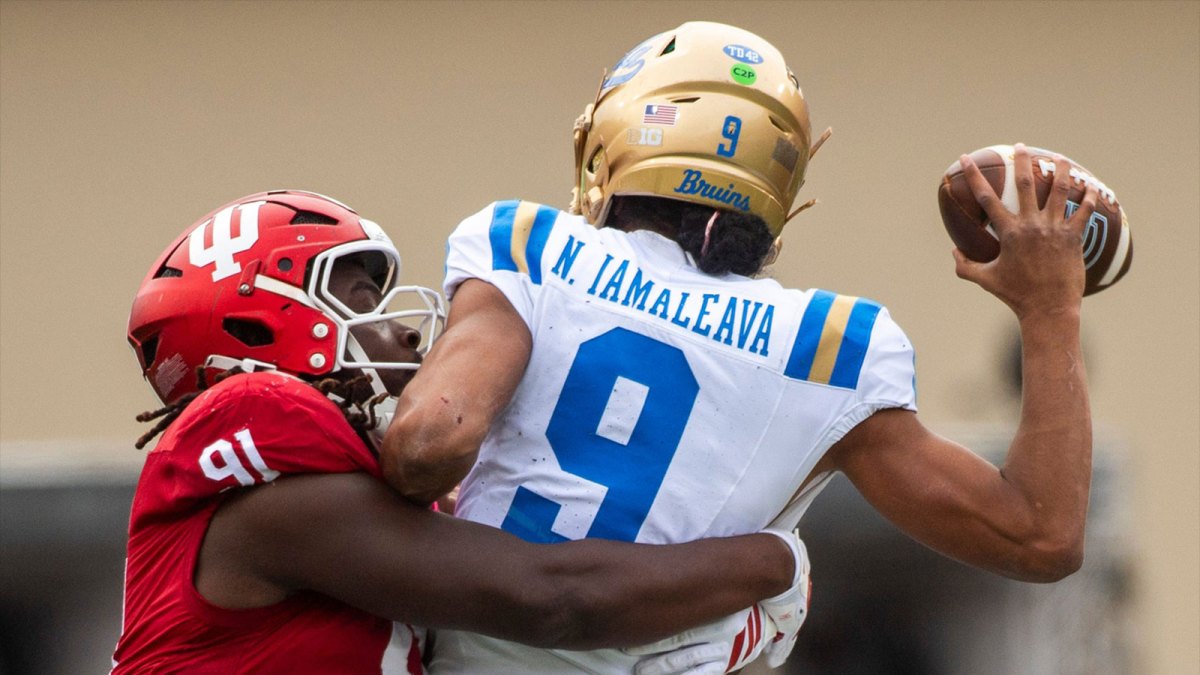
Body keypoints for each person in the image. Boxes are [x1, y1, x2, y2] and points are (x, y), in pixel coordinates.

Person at [380, 21, 1099, 673]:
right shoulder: (831, 347)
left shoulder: (528, 244)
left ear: (621, 135)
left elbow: (427, 444)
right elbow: (1040, 537)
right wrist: (1049, 309)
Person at [111, 189, 812, 674]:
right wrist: (771, 562)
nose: (404, 328)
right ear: (262, 319)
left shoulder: (333, 515)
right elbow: (552, 599)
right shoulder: (269, 487)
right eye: (364, 299)